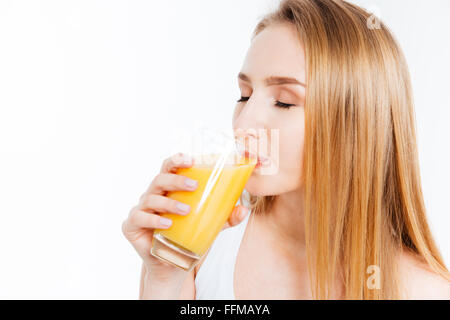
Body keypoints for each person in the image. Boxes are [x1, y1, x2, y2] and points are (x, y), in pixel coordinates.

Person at [122, 0, 450, 299]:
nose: (243, 124)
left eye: (284, 101)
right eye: (244, 95)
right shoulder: (203, 244)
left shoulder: (422, 290)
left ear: (356, 122)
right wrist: (163, 281)